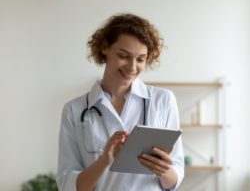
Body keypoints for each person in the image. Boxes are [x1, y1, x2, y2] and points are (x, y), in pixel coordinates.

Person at [56, 13, 184, 191]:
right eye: (123, 56)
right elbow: (66, 185)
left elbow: (176, 175)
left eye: (140, 59)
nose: (132, 67)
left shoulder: (163, 100)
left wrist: (164, 171)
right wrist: (104, 161)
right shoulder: (74, 110)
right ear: (105, 48)